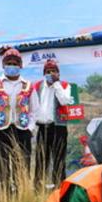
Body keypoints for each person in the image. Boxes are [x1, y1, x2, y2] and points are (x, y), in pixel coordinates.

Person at [0, 48, 38, 196]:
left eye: (15, 63)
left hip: (22, 130)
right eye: (9, 63)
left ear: (20, 65)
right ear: (3, 64)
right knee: (1, 168)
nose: (12, 65)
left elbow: (34, 110)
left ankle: (22, 200)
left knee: (22, 167)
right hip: (0, 131)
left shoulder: (28, 85)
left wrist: (30, 128)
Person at [33, 59, 74, 188]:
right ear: (44, 73)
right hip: (42, 127)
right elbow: (33, 105)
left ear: (58, 73)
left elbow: (64, 101)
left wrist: (57, 84)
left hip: (58, 127)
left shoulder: (65, 85)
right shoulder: (37, 86)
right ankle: (38, 188)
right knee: (41, 159)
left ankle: (59, 188)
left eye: (54, 71)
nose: (51, 74)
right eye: (48, 71)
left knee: (59, 159)